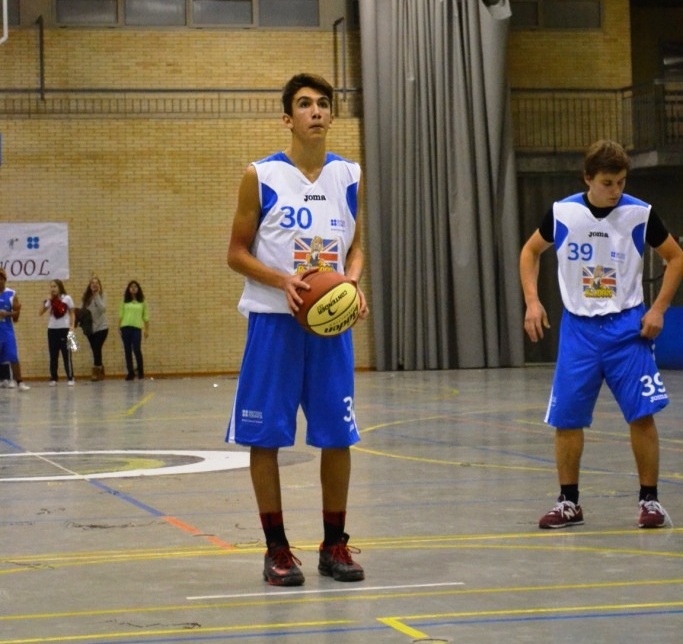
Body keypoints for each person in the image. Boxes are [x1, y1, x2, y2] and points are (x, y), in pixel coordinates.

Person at [226, 73, 369, 586]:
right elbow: (235, 253)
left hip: (330, 328)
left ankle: (334, 545)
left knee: (337, 436)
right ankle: (277, 550)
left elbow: (356, 247)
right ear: (288, 118)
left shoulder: (349, 175)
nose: (316, 111)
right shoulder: (261, 175)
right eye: (305, 104)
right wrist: (281, 280)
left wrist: (350, 283)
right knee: (266, 437)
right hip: (274, 323)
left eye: (323, 103)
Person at [519, 139, 683, 530]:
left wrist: (658, 309)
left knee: (641, 414)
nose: (616, 191)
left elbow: (675, 257)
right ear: (588, 178)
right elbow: (530, 251)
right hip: (579, 330)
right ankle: (568, 502)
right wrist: (532, 302)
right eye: (608, 183)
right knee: (567, 418)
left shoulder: (640, 214)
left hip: (628, 329)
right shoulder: (563, 212)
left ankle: (650, 501)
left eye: (621, 182)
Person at [39, 279, 76, 386]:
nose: (53, 289)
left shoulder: (67, 298)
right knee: (53, 355)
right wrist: (47, 301)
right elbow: (40, 312)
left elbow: (72, 313)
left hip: (65, 329)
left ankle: (70, 377)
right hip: (52, 329)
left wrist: (72, 326)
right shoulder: (50, 300)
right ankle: (53, 378)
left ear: (60, 287)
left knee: (67, 354)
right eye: (51, 287)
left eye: (55, 286)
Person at [0, 267, 30, 391]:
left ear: (4, 280)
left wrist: (7, 314)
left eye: (1, 278)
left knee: (13, 355)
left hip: (7, 330)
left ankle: (20, 382)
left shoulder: (11, 294)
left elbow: (16, 316)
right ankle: (4, 379)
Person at [118, 280, 149, 380]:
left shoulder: (142, 301)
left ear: (138, 289)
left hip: (137, 328)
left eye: (135, 286)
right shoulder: (124, 300)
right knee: (127, 350)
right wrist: (119, 327)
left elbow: (146, 316)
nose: (133, 288)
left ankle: (140, 371)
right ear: (128, 289)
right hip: (125, 327)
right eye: (131, 286)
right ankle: (130, 372)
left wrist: (147, 329)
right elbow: (121, 314)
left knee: (136, 349)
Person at [81, 276, 109, 381]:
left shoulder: (102, 295)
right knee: (95, 349)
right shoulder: (86, 297)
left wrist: (96, 296)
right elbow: (82, 310)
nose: (94, 284)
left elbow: (102, 309)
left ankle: (96, 370)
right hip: (90, 329)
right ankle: (100, 368)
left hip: (102, 327)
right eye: (92, 283)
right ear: (89, 285)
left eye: (97, 283)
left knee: (97, 347)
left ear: (99, 285)